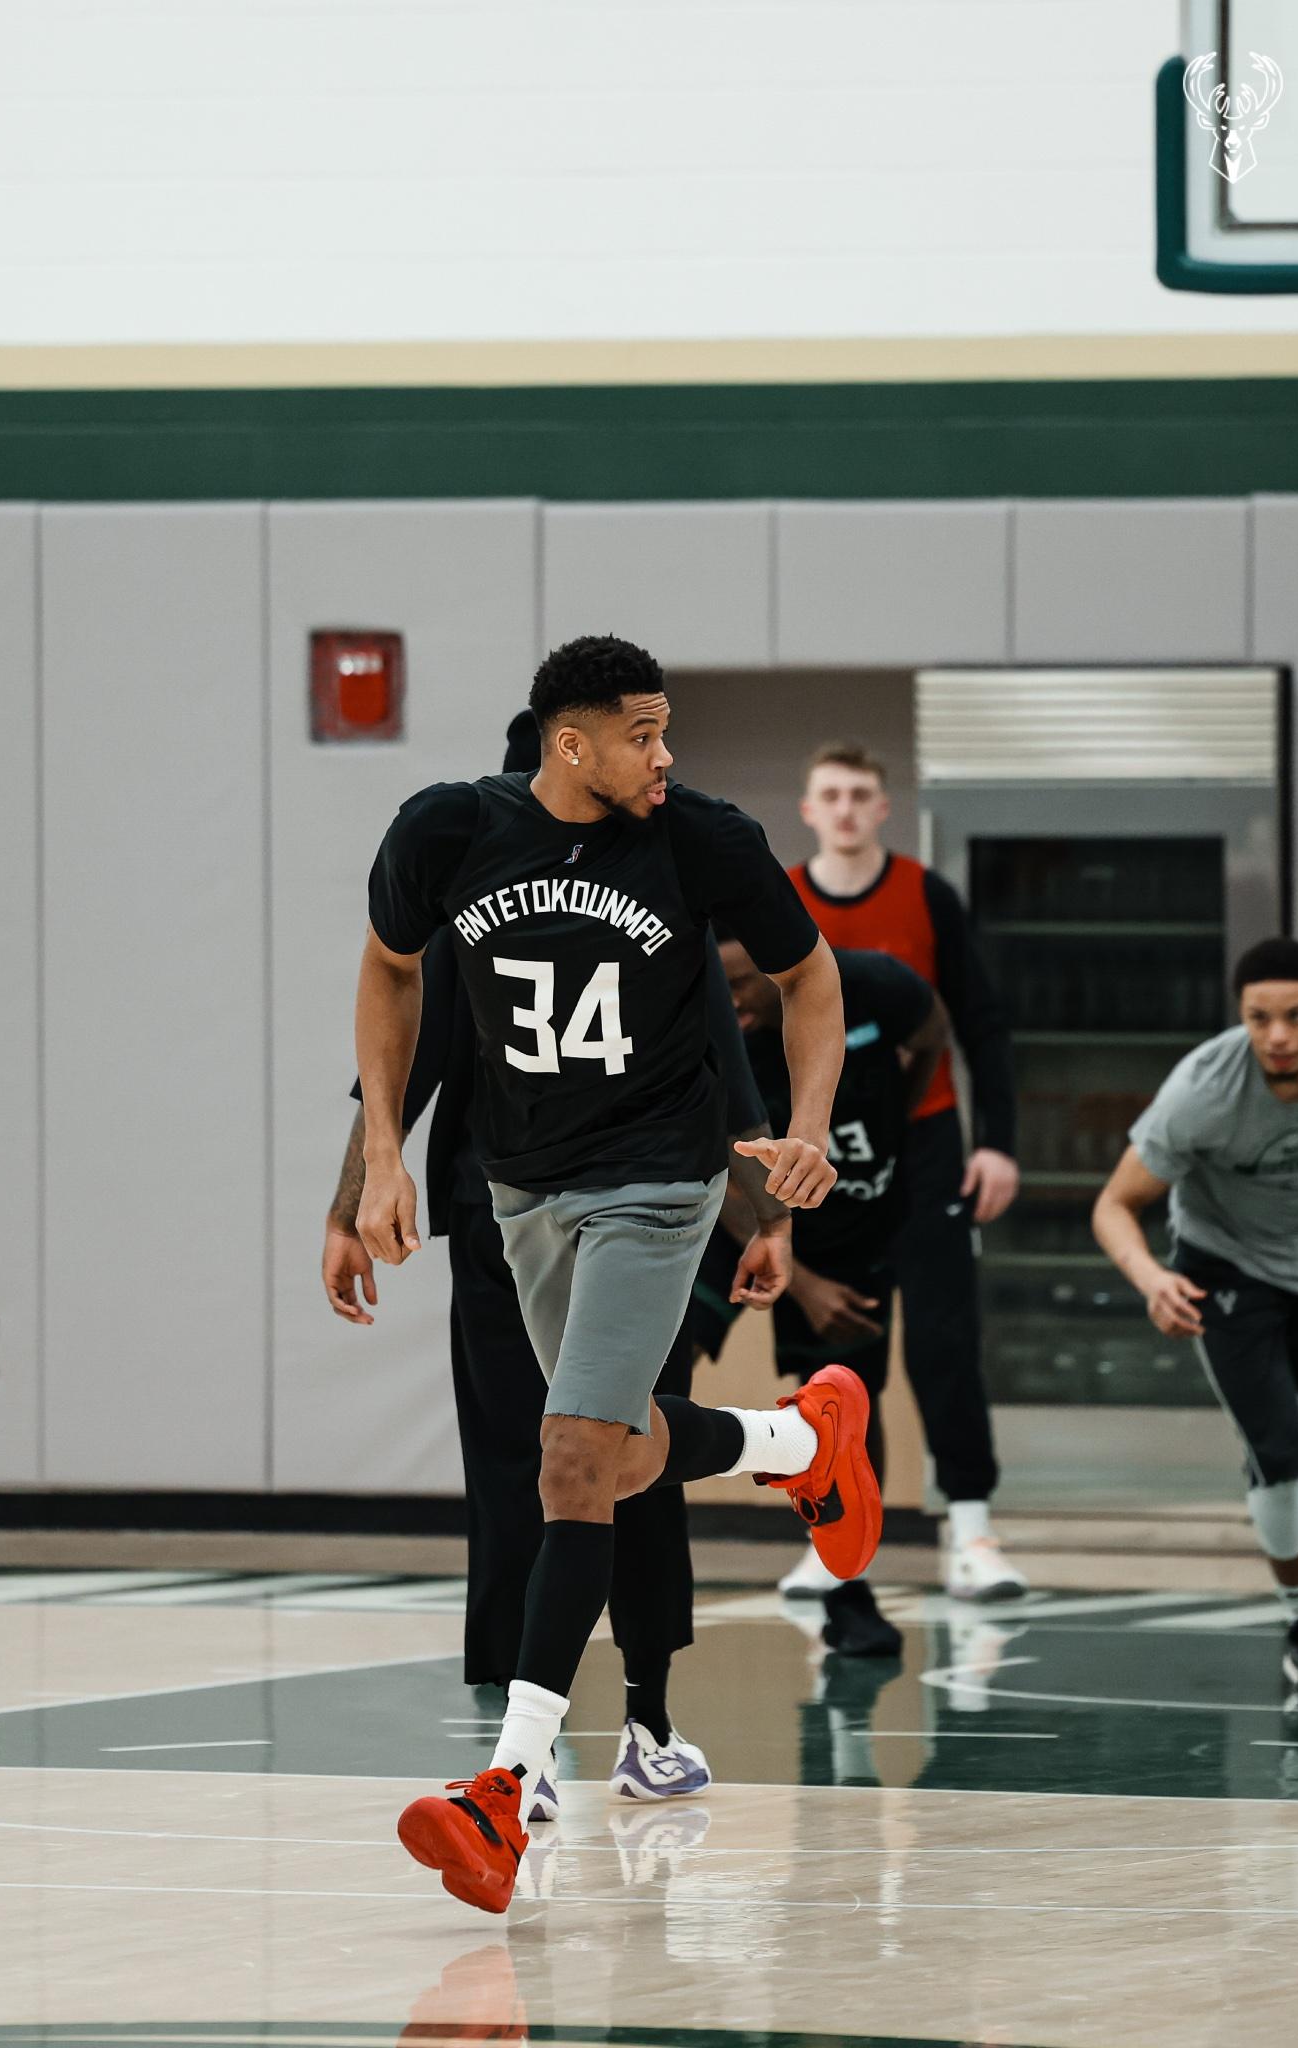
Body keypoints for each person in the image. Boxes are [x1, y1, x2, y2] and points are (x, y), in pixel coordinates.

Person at [355, 634, 880, 1914]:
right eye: (641, 733)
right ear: (567, 742)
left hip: (657, 1178)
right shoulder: (445, 832)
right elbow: (388, 969)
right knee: (624, 1446)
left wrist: (806, 1128)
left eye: (664, 729)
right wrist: (378, 1157)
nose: (663, 754)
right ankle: (794, 1440)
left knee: (571, 1459)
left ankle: (505, 1784)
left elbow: (808, 976)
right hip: (522, 1187)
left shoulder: (698, 837)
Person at [324, 710, 793, 1813]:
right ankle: (614, 1724)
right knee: (581, 1458)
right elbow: (404, 1045)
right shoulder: (509, 884)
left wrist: (348, 1205)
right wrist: (764, 1216)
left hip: (616, 1203)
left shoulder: (538, 877)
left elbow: (407, 1064)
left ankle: (602, 1726)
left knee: (566, 1458)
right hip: (510, 1204)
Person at [787, 741, 1027, 1600]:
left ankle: (971, 1528)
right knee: (835, 1349)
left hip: (924, 1144)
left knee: (941, 1340)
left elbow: (981, 1022)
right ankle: (830, 1539)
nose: (846, 809)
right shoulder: (780, 898)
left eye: (860, 794)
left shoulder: (926, 896)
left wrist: (996, 1142)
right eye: (830, 795)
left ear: (883, 808)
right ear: (808, 809)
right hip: (827, 1152)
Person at [692, 934, 950, 1654]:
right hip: (737, 1219)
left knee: (850, 1406)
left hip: (856, 1229)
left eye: (742, 984)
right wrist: (800, 1283)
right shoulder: (710, 1030)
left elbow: (932, 1032)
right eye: (720, 987)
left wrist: (896, 1118)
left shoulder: (877, 985)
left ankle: (848, 1586)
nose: (731, 1001)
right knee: (660, 1365)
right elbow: (716, 1168)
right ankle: (629, 1546)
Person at [1092, 936, 1298, 1696]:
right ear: (1241, 1017)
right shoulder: (1202, 1089)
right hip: (1226, 1267)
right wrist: (1152, 1280)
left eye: (1295, 1017)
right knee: (1277, 1456)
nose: (1278, 1037)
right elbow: (1114, 1205)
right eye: (1259, 1019)